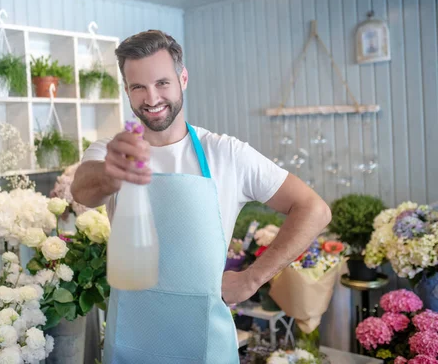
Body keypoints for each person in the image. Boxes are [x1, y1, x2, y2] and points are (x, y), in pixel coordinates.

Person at [71, 30, 331, 364]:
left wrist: (252, 278)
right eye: (138, 87)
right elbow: (83, 190)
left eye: (162, 83)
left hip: (205, 344)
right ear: (126, 90)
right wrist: (113, 171)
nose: (151, 98)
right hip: (131, 342)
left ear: (183, 78)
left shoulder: (226, 153)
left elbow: (314, 209)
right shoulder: (110, 151)